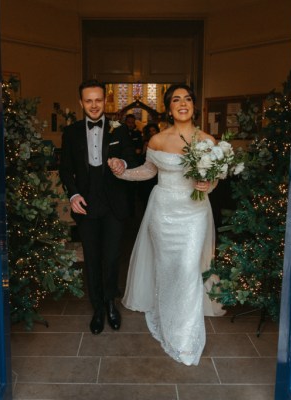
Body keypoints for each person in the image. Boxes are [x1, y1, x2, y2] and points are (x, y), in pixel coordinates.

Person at [108, 84, 226, 366]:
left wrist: (208, 184)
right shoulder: (158, 140)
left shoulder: (208, 141)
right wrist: (123, 172)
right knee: (167, 268)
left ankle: (184, 335)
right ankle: (167, 313)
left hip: (194, 211)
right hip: (162, 211)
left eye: (187, 98)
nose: (182, 103)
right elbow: (148, 171)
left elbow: (214, 179)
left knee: (187, 268)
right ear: (169, 107)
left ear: (194, 106)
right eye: (176, 99)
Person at [60, 79, 136, 335]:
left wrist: (123, 163)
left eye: (98, 100)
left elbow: (133, 158)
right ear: (81, 103)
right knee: (92, 259)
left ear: (106, 101)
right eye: (88, 100)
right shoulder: (70, 133)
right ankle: (98, 309)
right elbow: (66, 170)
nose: (94, 105)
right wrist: (73, 195)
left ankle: (110, 303)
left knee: (112, 257)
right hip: (86, 206)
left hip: (114, 205)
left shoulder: (120, 130)